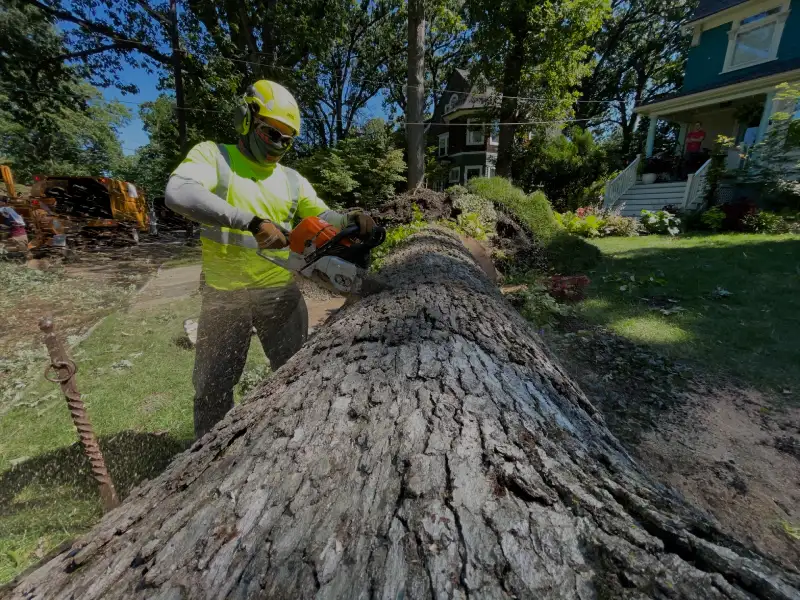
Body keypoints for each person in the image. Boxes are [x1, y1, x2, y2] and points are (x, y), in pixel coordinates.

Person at [165, 80, 374, 438]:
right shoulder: (214, 157)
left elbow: (323, 216)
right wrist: (251, 222)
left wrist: (351, 218)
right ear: (246, 118)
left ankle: (297, 440)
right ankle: (206, 463)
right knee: (213, 390)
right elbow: (177, 192)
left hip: (280, 295)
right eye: (271, 133)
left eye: (287, 139)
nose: (278, 145)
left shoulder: (292, 181)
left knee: (298, 375)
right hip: (224, 297)